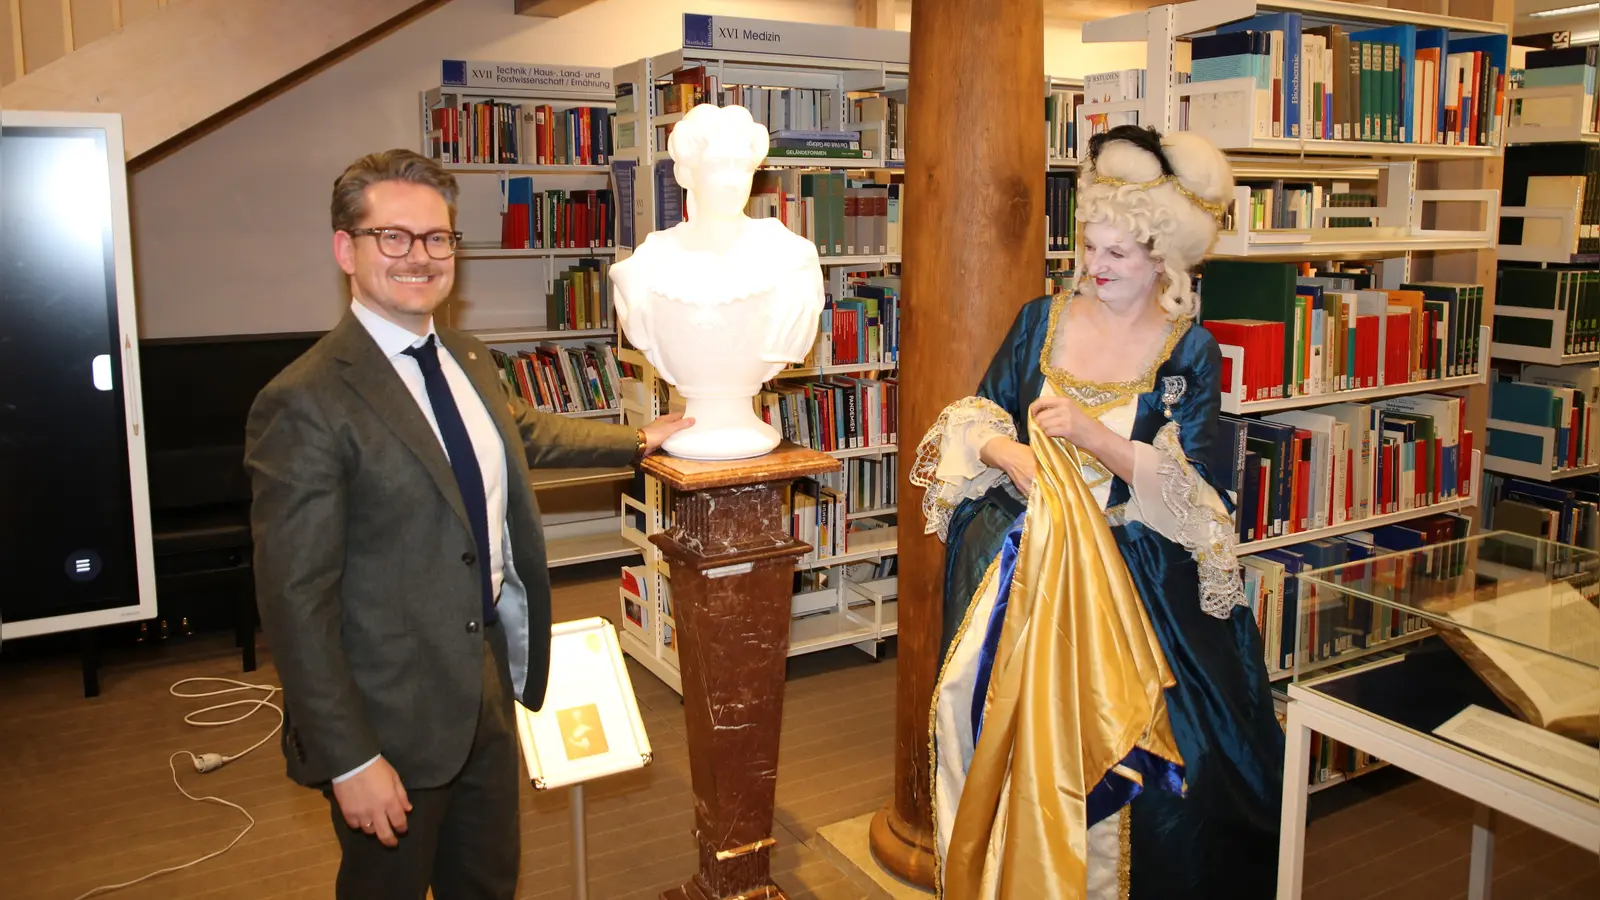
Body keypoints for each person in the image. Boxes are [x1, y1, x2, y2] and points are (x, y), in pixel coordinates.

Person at [243, 148, 690, 900]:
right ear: (345, 250)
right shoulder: (305, 401)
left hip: (485, 684)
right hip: (386, 714)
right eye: (393, 237)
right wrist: (350, 758)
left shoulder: (465, 356)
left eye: (437, 238)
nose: (420, 257)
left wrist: (640, 438)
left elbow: (525, 432)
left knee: (486, 882)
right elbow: (295, 603)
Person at [916, 125, 1283, 899]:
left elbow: (1196, 496)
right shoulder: (1039, 320)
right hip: (1023, 568)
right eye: (1089, 247)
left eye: (1118, 253)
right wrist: (1005, 453)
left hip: (1133, 575)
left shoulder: (1189, 351)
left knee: (1175, 764)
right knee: (972, 715)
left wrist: (1095, 438)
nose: (1095, 266)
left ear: (1164, 260)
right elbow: (977, 412)